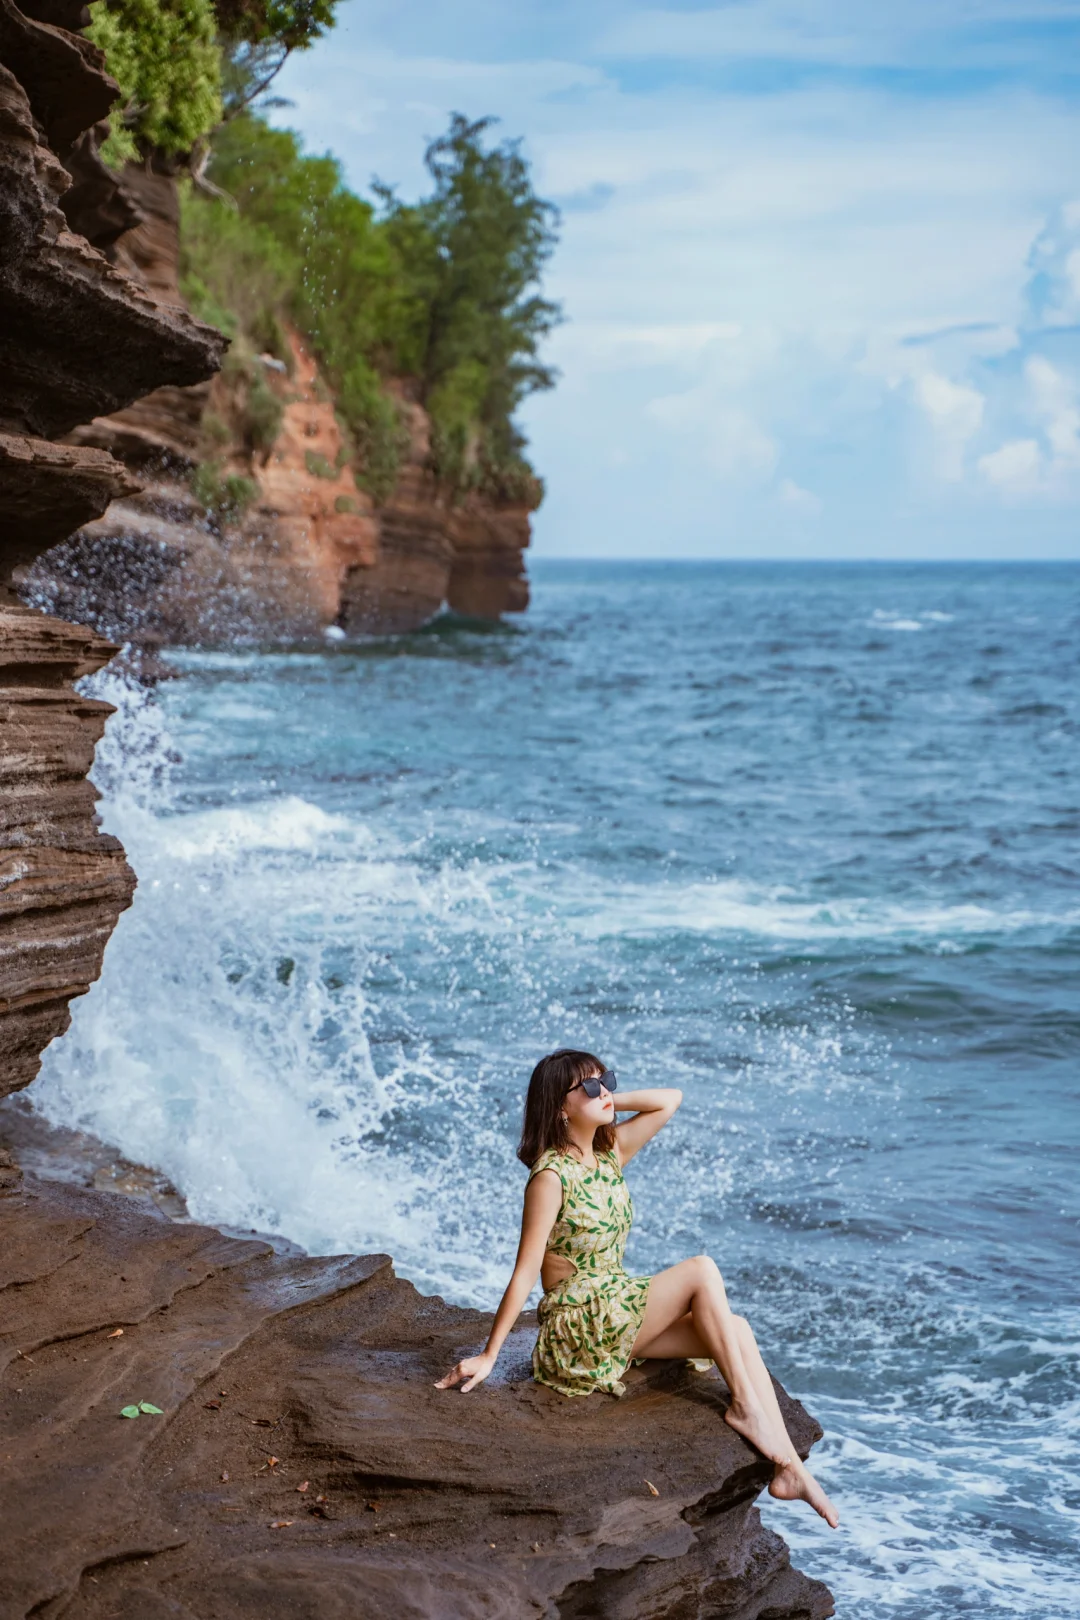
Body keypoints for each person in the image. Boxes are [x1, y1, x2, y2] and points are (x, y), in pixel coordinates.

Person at [436, 1048, 839, 1528]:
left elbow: (670, 1100)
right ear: (559, 1107)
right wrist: (490, 1355)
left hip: (615, 1309)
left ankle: (788, 1468)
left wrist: (601, 1096)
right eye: (588, 1087)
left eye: (606, 1080)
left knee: (737, 1328)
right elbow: (525, 1271)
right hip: (577, 1324)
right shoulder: (550, 1176)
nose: (604, 1091)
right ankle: (745, 1408)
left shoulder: (610, 1154)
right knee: (701, 1269)